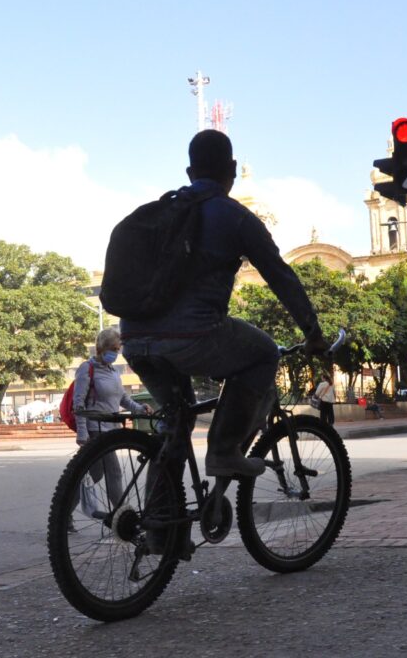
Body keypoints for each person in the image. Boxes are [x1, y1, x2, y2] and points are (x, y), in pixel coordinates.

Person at [122, 129, 328, 480]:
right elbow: (281, 277)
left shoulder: (162, 210)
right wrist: (313, 333)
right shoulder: (236, 217)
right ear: (232, 170)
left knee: (176, 425)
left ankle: (160, 530)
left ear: (190, 173)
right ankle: (223, 451)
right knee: (264, 353)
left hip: (134, 339)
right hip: (194, 336)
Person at [70, 326, 153, 528]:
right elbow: (78, 403)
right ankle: (124, 517)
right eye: (113, 349)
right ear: (101, 348)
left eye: (118, 349)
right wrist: (82, 433)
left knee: (93, 475)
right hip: (95, 429)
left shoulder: (112, 371)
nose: (116, 353)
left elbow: (121, 398)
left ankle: (64, 511)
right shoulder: (86, 369)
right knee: (114, 473)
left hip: (111, 428)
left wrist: (139, 408)